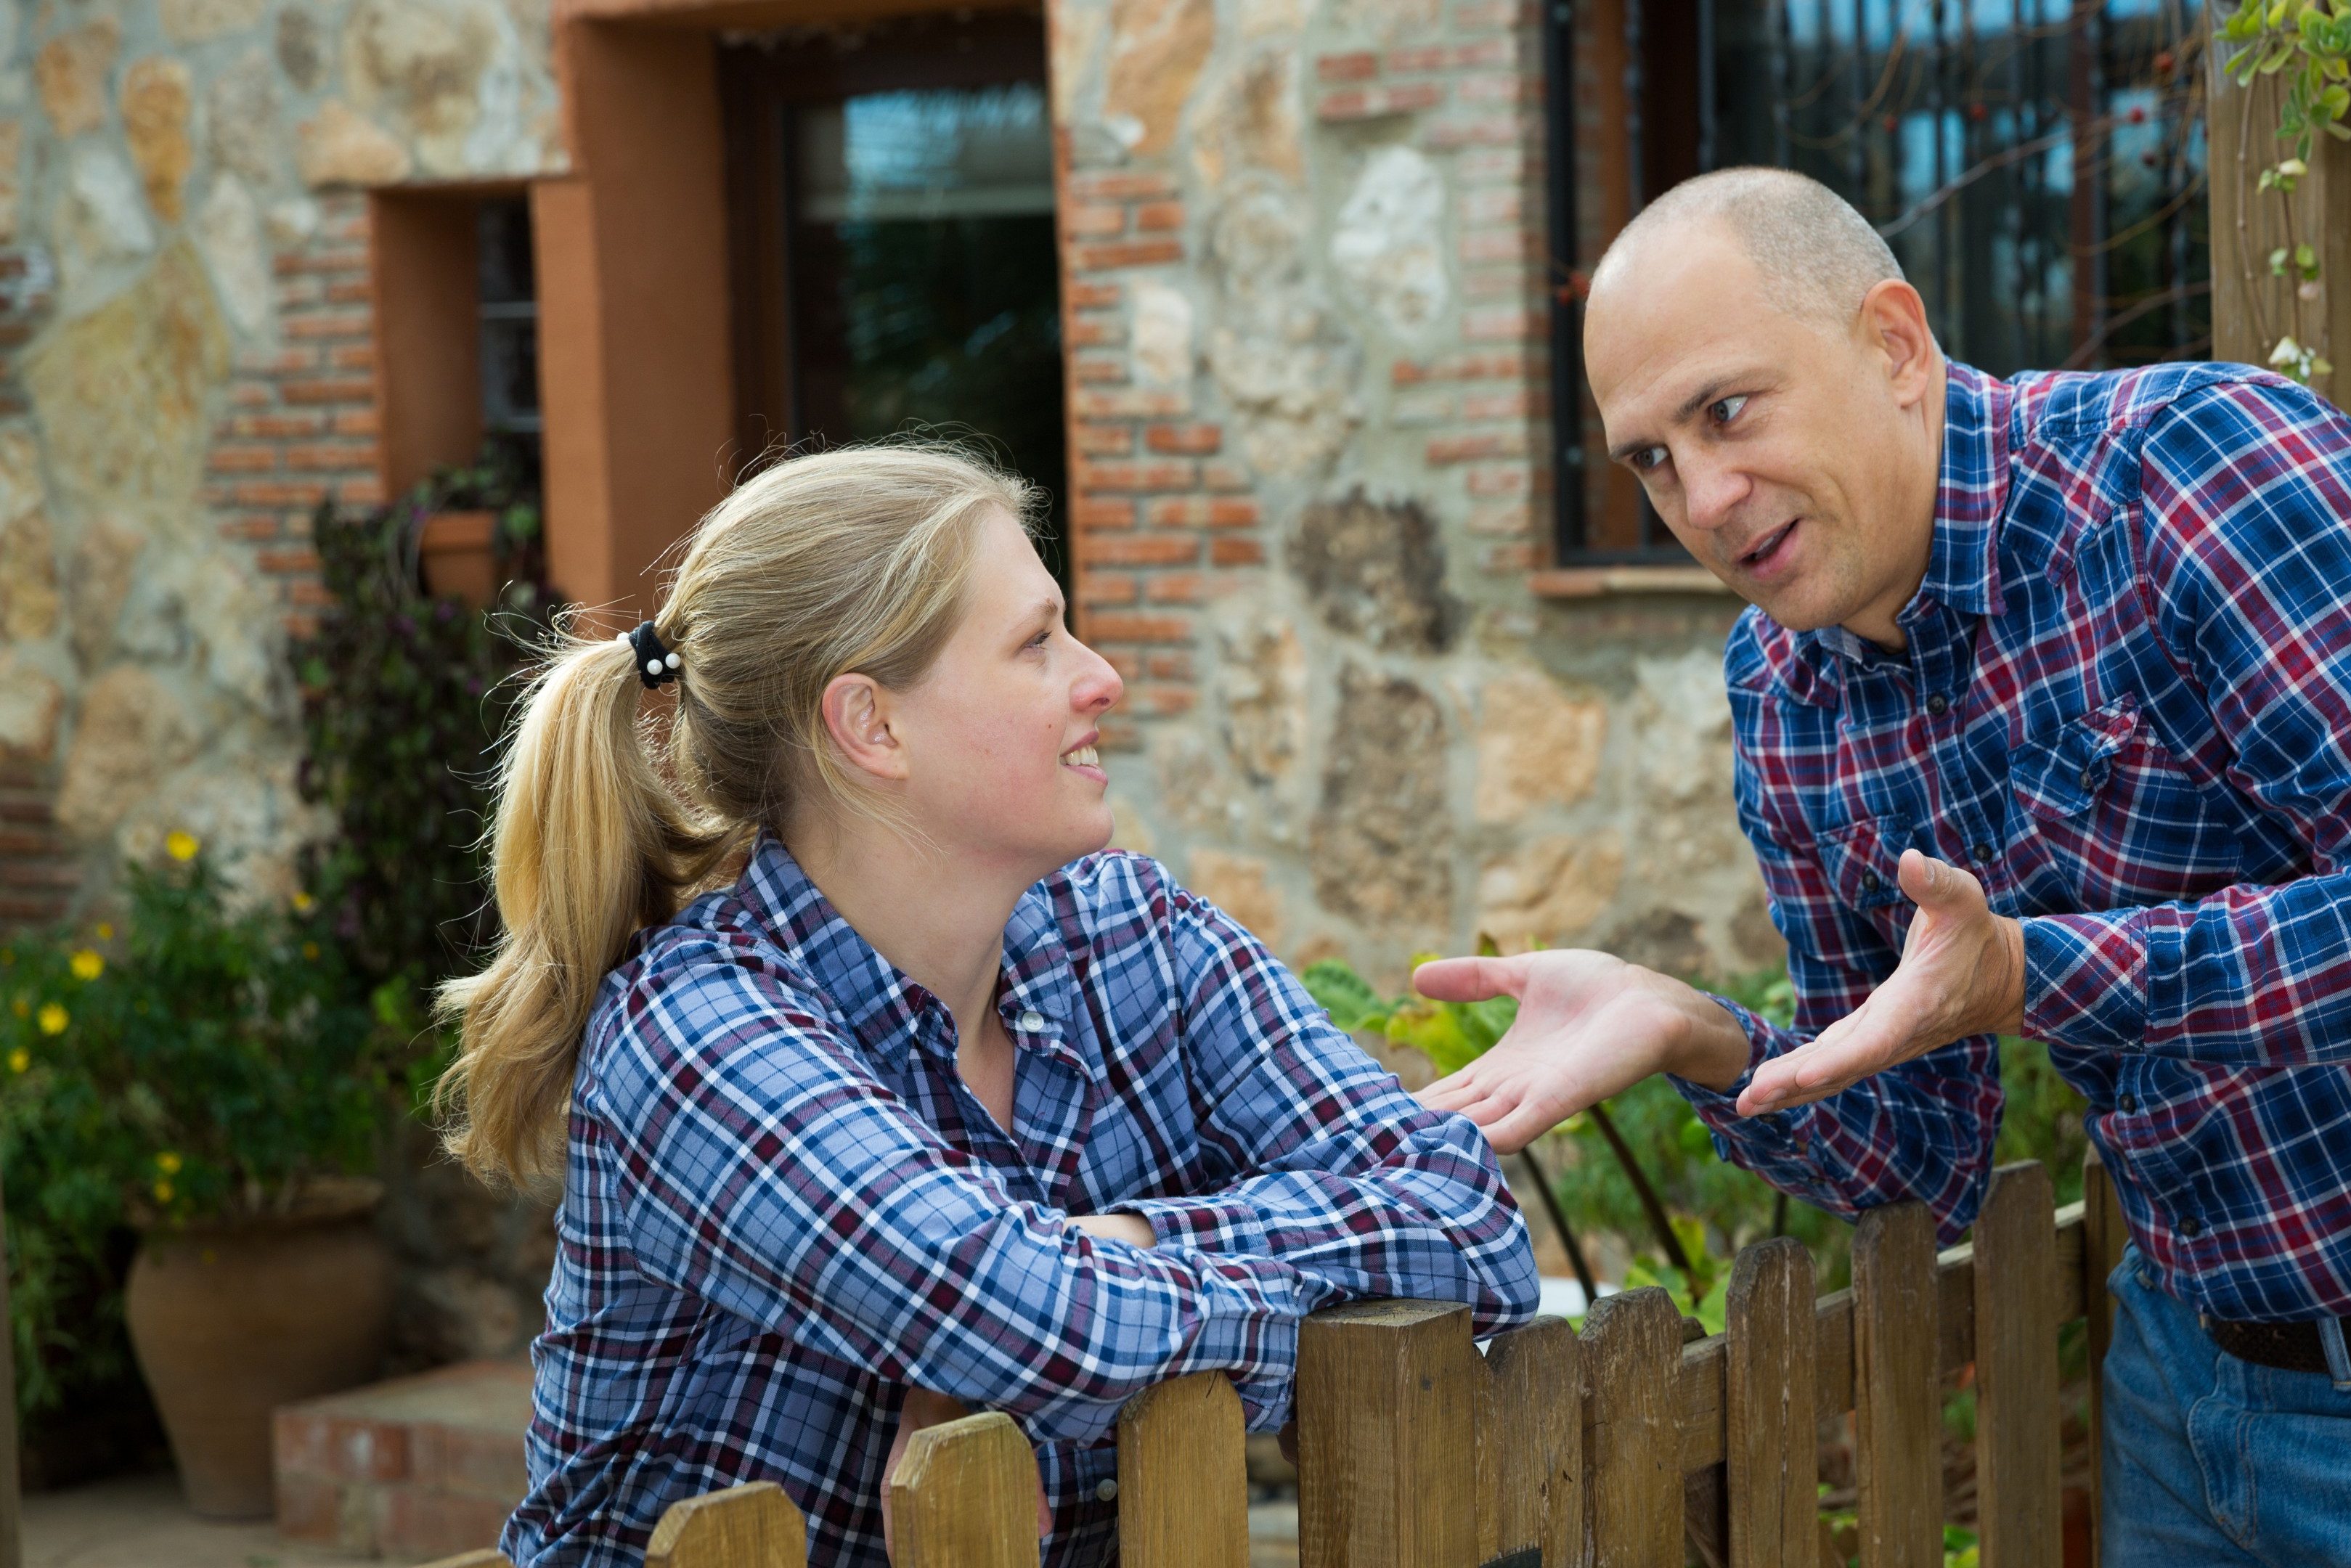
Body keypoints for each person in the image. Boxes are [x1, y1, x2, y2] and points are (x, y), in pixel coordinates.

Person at [1416, 168, 2351, 1565]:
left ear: (1894, 344)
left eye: (1727, 410)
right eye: (1651, 459)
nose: (1705, 494)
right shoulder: (1785, 692)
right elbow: (1919, 1151)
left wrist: (2037, 972)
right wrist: (1691, 1033)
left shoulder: (2200, 473)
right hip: (2187, 1395)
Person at [436, 444, 1537, 1568]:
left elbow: (1472, 1225)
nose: (1099, 675)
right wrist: (1087, 1292)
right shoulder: (697, 1038)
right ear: (873, 726)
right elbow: (1033, 1325)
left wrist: (1124, 1238)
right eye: (1035, 642)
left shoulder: (1129, 934)